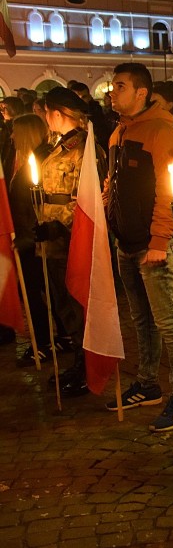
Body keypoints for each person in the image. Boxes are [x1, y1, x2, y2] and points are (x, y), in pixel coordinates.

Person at [104, 62, 173, 433]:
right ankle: (148, 382)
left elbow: (168, 192)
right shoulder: (117, 134)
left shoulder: (161, 133)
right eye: (113, 85)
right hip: (124, 241)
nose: (113, 91)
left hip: (153, 245)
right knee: (140, 319)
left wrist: (160, 241)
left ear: (141, 92)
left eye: (120, 86)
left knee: (169, 321)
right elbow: (113, 183)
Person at [31, 87, 108, 396]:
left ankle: (86, 363)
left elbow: (89, 202)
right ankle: (79, 358)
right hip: (51, 237)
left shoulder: (85, 149)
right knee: (61, 303)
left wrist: (58, 224)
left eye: (47, 112)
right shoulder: (56, 146)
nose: (45, 118)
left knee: (77, 304)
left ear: (58, 113)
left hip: (71, 238)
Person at [9, 113, 59, 367]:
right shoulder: (26, 158)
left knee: (36, 290)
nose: (11, 136)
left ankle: (44, 341)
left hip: (34, 238)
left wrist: (27, 236)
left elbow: (35, 203)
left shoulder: (38, 161)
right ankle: (53, 337)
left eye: (15, 132)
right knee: (43, 289)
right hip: (28, 235)